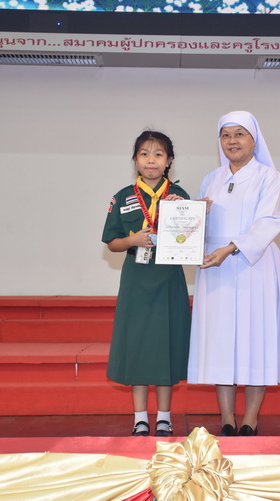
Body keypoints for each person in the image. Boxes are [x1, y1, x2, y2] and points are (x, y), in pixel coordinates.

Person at [188, 110, 280, 437]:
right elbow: (200, 224)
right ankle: (226, 418)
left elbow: (269, 222)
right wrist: (192, 214)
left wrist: (232, 248)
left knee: (256, 338)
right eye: (226, 135)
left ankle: (250, 418)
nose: (232, 141)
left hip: (254, 266)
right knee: (221, 341)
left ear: (253, 139)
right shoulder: (212, 177)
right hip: (216, 268)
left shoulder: (268, 177)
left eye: (239, 134)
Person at [102, 130, 191, 437]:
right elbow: (112, 243)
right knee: (138, 345)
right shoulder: (122, 197)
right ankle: (140, 417)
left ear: (169, 161)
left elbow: (191, 239)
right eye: (144, 154)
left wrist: (188, 214)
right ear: (135, 160)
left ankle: (164, 417)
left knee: (167, 344)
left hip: (168, 277)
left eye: (158, 154)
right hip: (136, 278)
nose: (151, 160)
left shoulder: (180, 197)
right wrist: (133, 240)